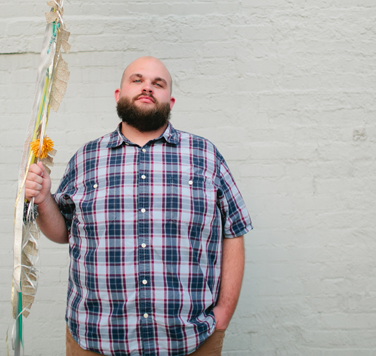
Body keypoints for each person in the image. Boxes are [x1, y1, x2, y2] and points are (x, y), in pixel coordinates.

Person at [24, 56, 253, 356]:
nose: (147, 87)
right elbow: (62, 231)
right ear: (119, 95)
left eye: (158, 84)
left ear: (169, 101)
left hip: (189, 341)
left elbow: (233, 232)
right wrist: (43, 199)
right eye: (137, 80)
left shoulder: (205, 156)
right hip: (96, 339)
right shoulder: (86, 159)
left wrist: (223, 313)